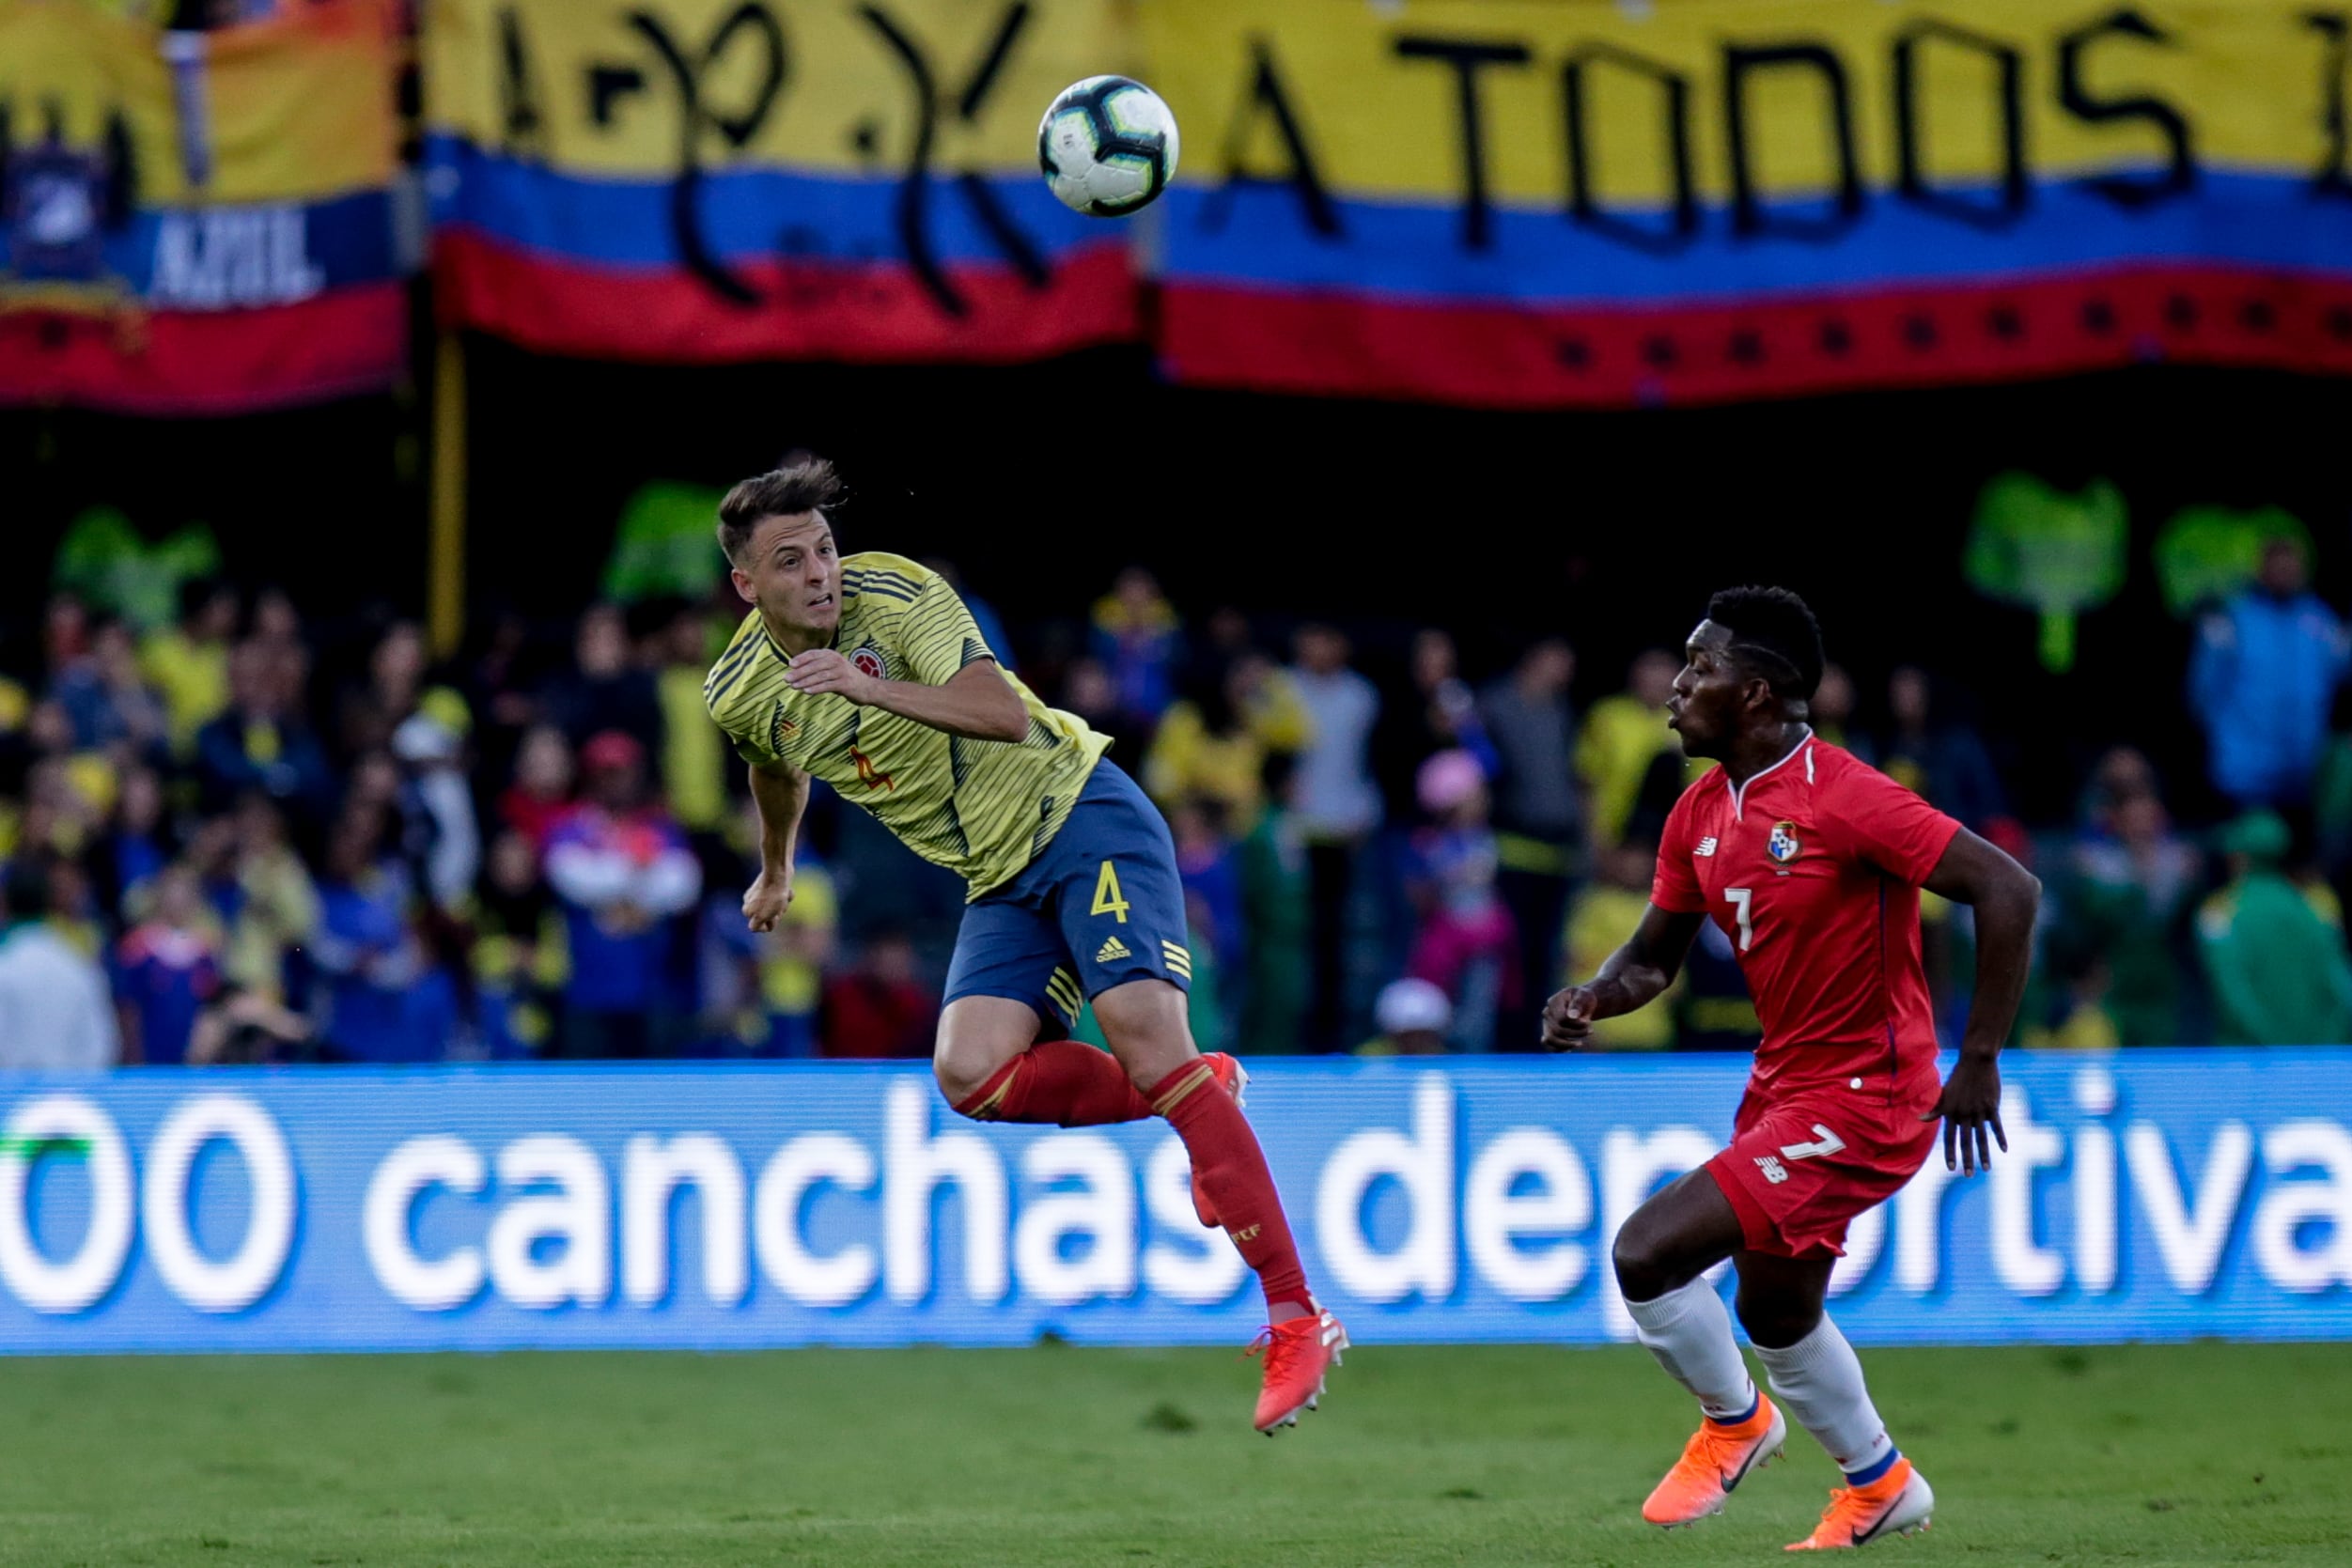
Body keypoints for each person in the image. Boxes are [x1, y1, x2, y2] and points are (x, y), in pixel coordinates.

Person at [704, 458, 1343, 1431]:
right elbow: (774, 766)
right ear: (746, 584)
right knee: (969, 1074)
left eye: (824, 549)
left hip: (1078, 811)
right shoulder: (740, 689)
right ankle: (1200, 1091)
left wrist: (868, 690)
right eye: (790, 562)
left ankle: (1295, 1317)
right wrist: (777, 866)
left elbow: (1002, 713)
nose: (821, 573)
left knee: (1143, 1034)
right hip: (1000, 877)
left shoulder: (897, 593)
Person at [1542, 586, 2038, 1550]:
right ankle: (1881, 1481)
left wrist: (1978, 1055)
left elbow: (2006, 886)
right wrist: (1593, 995)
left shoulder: (1846, 794)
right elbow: (1652, 958)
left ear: (1757, 693)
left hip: (1868, 1096)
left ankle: (1734, 1422)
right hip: (1783, 1087)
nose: (1676, 686)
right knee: (1774, 1309)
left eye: (1699, 667)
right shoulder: (1696, 809)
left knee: (1645, 1254)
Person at [543, 730, 702, 1058]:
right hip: (586, 989)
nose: (616, 782)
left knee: (653, 1081)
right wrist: (640, 871)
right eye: (606, 773)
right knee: (585, 1081)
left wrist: (609, 879)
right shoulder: (570, 827)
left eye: (623, 772)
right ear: (590, 776)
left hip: (652, 988)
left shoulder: (660, 826)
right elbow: (569, 878)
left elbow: (684, 885)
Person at [2189, 535, 2349, 816]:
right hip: (2243, 773)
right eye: (2278, 565)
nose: (2285, 572)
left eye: (2291, 565)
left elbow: (2342, 671)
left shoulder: (2321, 620)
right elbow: (2203, 691)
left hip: (2304, 773)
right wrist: (2227, 738)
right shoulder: (2233, 618)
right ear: (2261, 568)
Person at [1480, 638, 1583, 1048]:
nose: (1567, 670)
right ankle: (1506, 1040)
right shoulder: (1496, 705)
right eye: (1560, 659)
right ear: (1537, 658)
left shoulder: (1562, 711)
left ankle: (1541, 1039)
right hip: (1511, 848)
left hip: (1557, 851)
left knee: (1546, 955)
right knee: (1510, 956)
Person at [1289, 625, 1381, 1053]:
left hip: (1344, 828)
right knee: (1293, 935)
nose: (1317, 646)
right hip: (1294, 830)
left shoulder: (1360, 697)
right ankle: (1291, 1034)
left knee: (1336, 938)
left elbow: (1366, 761)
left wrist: (1365, 812)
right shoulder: (1284, 689)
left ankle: (1333, 1037)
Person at [2197, 811, 2352, 1045]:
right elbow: (2340, 984)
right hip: (2311, 1054)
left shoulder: (2219, 911)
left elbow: (2231, 990)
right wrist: (2326, 1042)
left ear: (2238, 857)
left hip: (2249, 1055)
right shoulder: (2315, 907)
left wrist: (2271, 1041)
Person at [0, 860, 120, 1071]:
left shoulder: (7, 965)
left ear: (5, 905)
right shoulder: (78, 965)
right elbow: (101, 1045)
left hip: (11, 1087)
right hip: (69, 1085)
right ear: (50, 903)